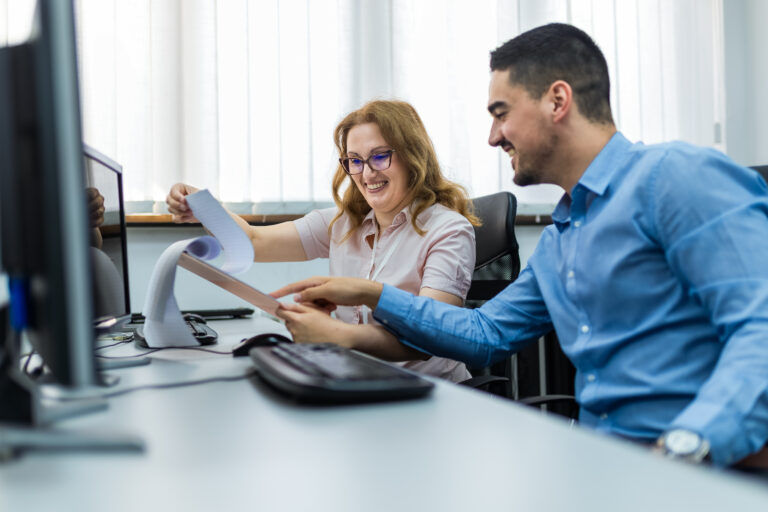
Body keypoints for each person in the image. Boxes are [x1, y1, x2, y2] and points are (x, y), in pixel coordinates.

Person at [271, 23, 768, 470]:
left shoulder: (678, 177)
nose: (492, 137)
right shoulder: (561, 240)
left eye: (501, 113)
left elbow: (759, 326)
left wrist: (687, 449)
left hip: (700, 467)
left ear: (557, 100)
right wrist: (372, 294)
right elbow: (485, 333)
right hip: (608, 467)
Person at [167, 99, 479, 382]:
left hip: (431, 393)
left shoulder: (449, 230)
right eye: (354, 161)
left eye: (380, 157)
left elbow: (432, 337)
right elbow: (254, 241)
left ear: (413, 156)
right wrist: (203, 208)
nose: (366, 174)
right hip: (358, 380)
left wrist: (337, 335)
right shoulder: (341, 223)